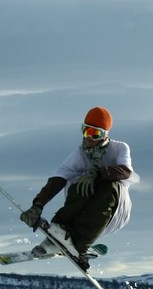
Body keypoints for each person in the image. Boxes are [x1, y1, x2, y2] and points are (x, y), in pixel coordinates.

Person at [19, 107, 138, 271]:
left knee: (108, 185)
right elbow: (58, 178)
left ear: (105, 135)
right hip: (87, 205)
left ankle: (79, 244)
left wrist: (98, 172)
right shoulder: (80, 153)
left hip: (114, 209)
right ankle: (60, 232)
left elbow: (125, 171)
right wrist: (38, 205)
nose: (89, 138)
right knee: (79, 181)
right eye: (86, 131)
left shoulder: (119, 148)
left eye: (95, 134)